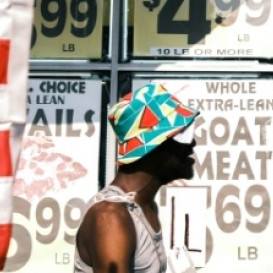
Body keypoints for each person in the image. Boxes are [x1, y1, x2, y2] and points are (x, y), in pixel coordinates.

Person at [74, 83, 200, 273]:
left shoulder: (142, 207)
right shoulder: (110, 218)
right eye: (182, 136)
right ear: (154, 147)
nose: (192, 144)